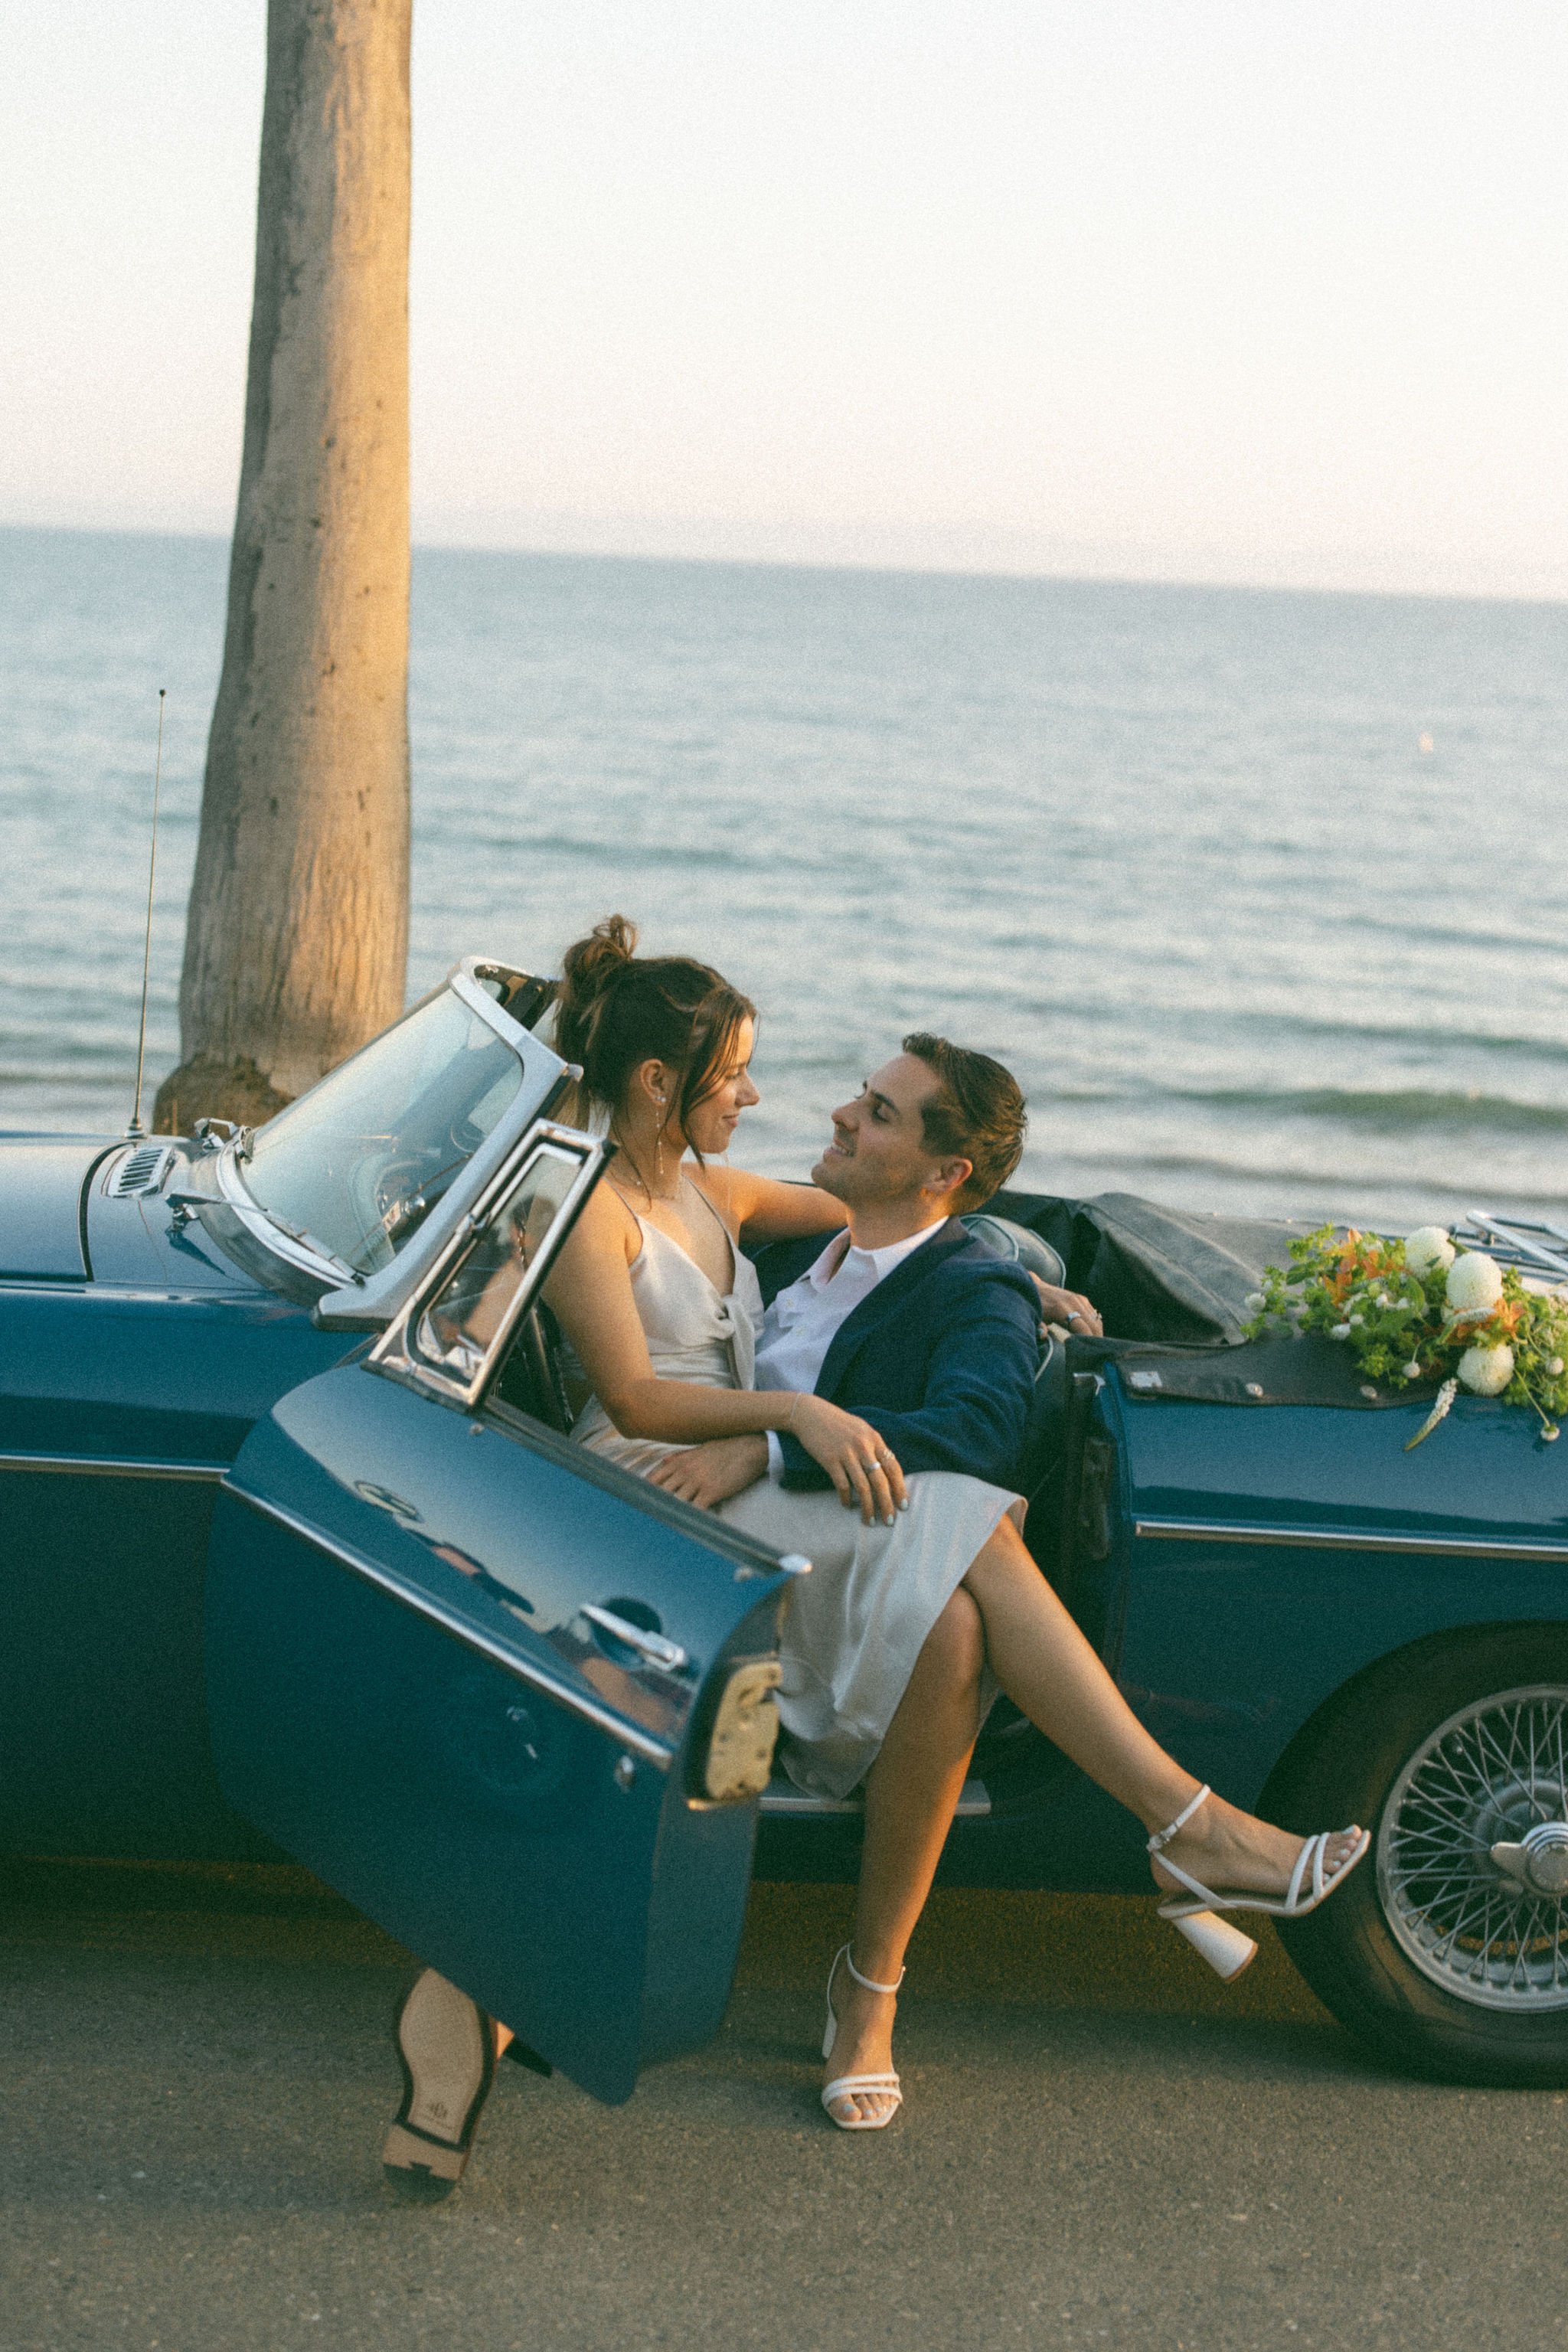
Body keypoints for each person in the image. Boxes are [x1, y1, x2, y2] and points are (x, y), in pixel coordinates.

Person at [381, 919, 1365, 2189]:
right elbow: (635, 1398)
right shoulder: (590, 1209)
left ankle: (1131, 1857)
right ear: (658, 1085)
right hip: (655, 1483)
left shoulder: (719, 1194)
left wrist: (1016, 1278)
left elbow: (919, 1222)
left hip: (737, 1471)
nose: (759, 1097)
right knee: (972, 1523)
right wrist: (792, 1419)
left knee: (959, 1585)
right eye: (736, 1074)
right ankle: (1188, 1823)